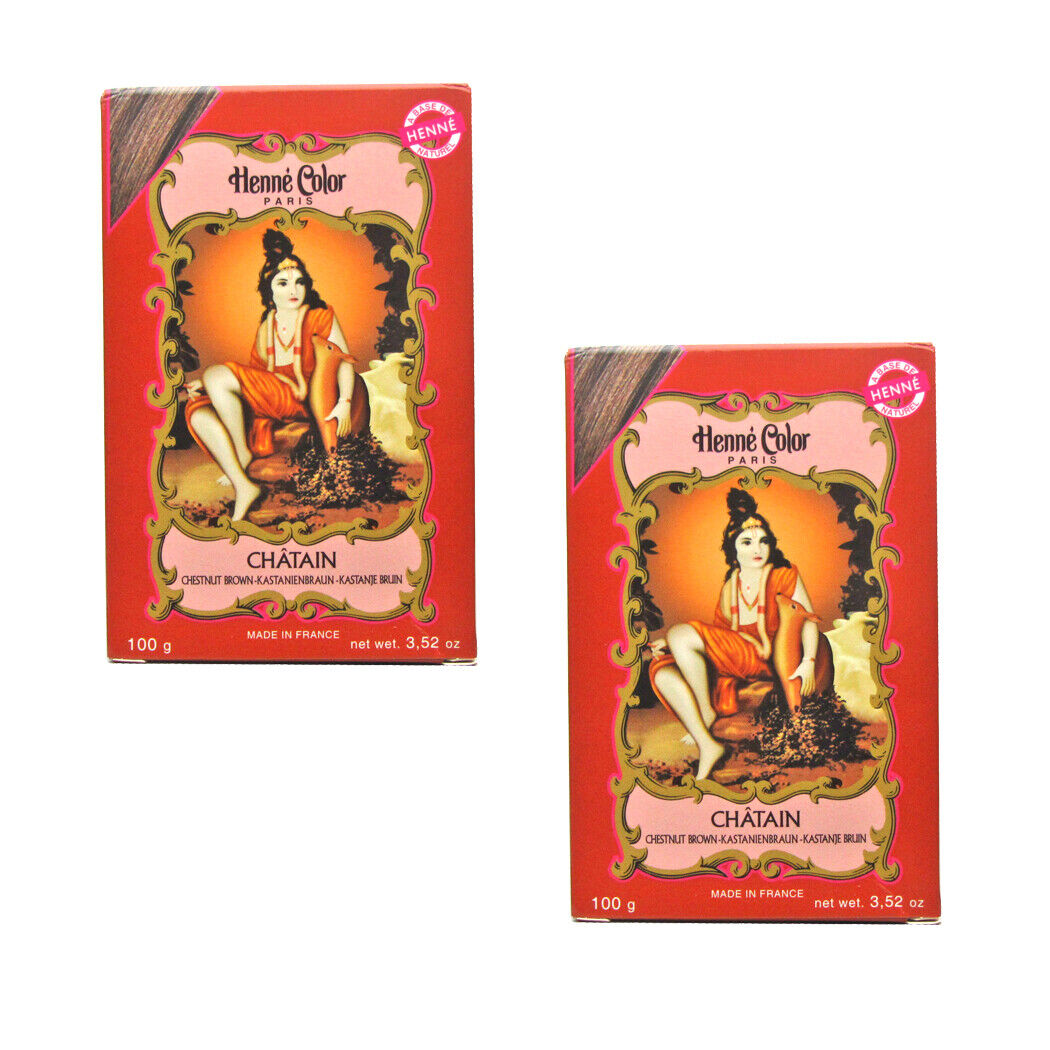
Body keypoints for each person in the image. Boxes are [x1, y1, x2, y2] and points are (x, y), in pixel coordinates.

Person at [185, 229, 369, 520]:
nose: (293, 290)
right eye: (283, 283)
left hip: (306, 400)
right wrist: (208, 386)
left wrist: (344, 402)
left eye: (299, 282)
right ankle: (243, 483)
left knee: (217, 374)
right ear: (268, 291)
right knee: (198, 412)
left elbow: (344, 362)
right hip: (272, 404)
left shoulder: (320, 316)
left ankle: (242, 453)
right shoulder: (266, 326)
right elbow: (256, 379)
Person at [648, 487, 820, 780]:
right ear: (734, 550)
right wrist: (672, 645)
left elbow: (809, 620)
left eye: (763, 541)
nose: (757, 549)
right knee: (663, 672)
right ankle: (707, 743)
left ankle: (705, 711)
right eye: (747, 542)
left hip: (769, 658)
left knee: (679, 633)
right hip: (734, 663)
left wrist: (809, 661)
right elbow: (721, 636)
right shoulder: (731, 586)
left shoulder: (784, 574)